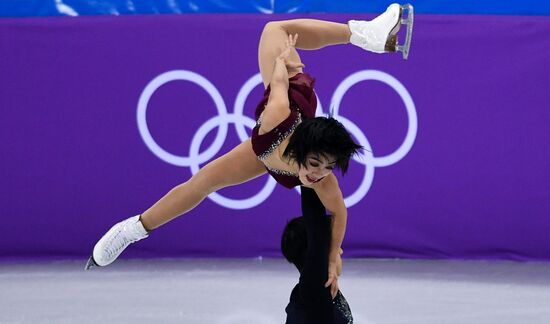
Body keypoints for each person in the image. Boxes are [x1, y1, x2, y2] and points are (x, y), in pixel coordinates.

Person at [86, 3, 413, 291]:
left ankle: (367, 35)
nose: (319, 175)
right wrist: (283, 64)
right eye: (315, 164)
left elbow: (339, 212)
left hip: (291, 134)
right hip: (283, 110)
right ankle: (132, 229)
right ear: (302, 153)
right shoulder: (275, 117)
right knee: (274, 30)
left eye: (327, 167)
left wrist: (334, 256)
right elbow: (280, 85)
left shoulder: (324, 180)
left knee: (276, 35)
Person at [282, 186, 353, 323]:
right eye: (335, 246)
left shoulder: (314, 292)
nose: (340, 251)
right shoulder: (314, 291)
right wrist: (310, 177)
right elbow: (315, 221)